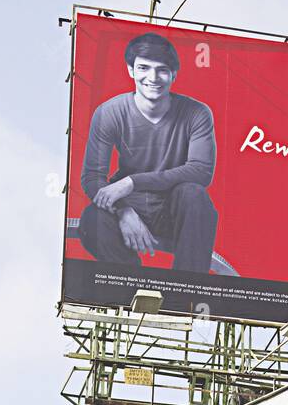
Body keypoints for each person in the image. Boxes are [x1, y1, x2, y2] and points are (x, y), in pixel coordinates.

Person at [78, 30, 232, 274]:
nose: (153, 77)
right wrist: (122, 210)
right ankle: (133, 285)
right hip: (128, 204)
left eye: (162, 69)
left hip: (172, 208)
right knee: (92, 220)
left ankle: (185, 293)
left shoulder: (197, 113)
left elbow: (201, 171)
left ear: (173, 75)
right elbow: (92, 177)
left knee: (195, 196)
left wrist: (131, 182)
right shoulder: (109, 112)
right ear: (130, 70)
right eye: (143, 68)